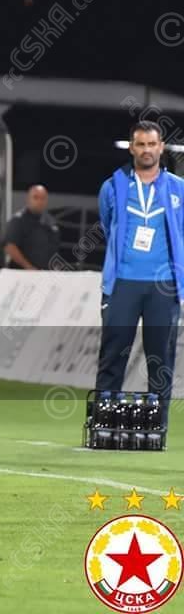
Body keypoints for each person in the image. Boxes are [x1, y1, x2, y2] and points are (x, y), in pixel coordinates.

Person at [96, 121, 183, 430]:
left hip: (164, 285)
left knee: (161, 359)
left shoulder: (178, 189)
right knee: (112, 355)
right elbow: (108, 225)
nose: (147, 150)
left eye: (152, 144)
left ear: (161, 147)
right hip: (122, 283)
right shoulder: (113, 186)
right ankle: (104, 425)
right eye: (141, 144)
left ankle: (155, 428)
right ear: (132, 148)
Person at [3, 185, 60, 270]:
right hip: (21, 272)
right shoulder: (18, 220)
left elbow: (54, 249)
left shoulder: (51, 222)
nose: (39, 201)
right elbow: (10, 247)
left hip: (45, 273)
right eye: (35, 197)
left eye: (43, 198)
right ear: (28, 199)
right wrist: (29, 267)